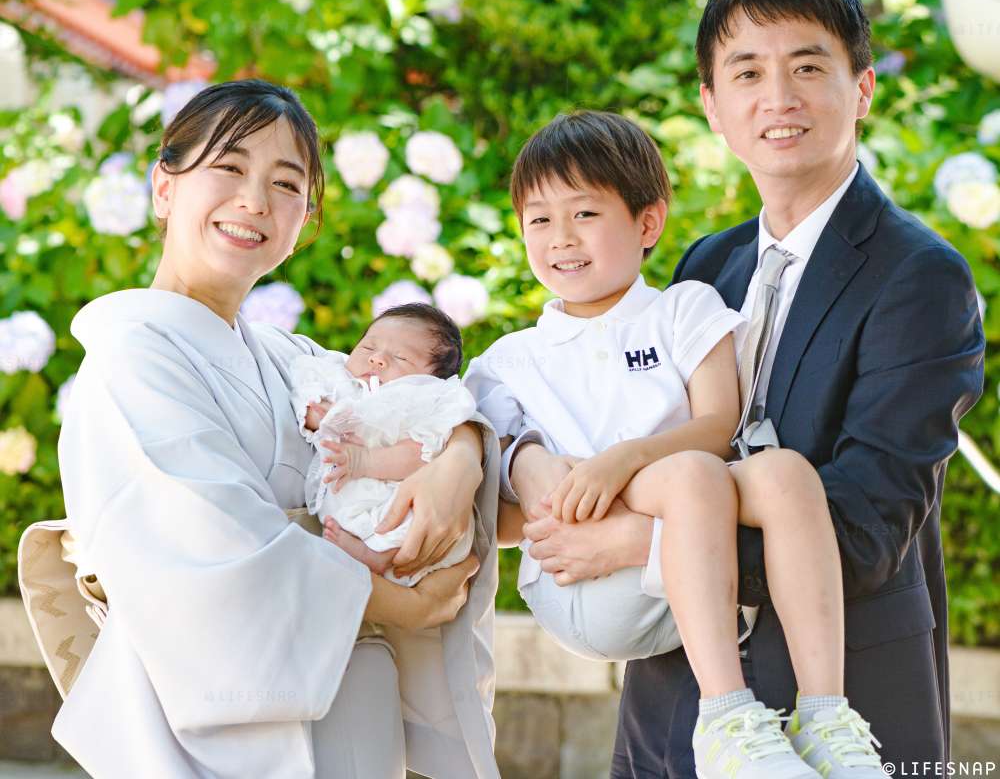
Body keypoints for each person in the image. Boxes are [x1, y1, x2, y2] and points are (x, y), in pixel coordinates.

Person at [510, 0, 986, 777]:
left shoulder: (920, 277)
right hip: (673, 710)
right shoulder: (705, 267)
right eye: (747, 73)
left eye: (808, 66)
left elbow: (867, 527)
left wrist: (640, 545)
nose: (778, 97)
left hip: (848, 708)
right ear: (712, 105)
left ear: (862, 88)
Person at [36, 80, 500, 779]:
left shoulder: (292, 360)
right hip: (209, 731)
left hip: (355, 702)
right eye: (229, 167)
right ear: (164, 188)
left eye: (285, 184)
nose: (254, 200)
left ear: (302, 223)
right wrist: (400, 606)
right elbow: (219, 543)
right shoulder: (132, 354)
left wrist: (459, 460)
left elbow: (424, 403)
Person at [465, 111, 885, 778]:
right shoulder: (507, 361)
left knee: (783, 473)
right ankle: (725, 717)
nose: (560, 237)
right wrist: (543, 470)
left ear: (647, 223)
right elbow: (501, 505)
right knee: (692, 474)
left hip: (686, 550)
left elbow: (719, 424)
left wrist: (622, 459)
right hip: (583, 584)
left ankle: (825, 716)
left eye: (584, 213)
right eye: (539, 220)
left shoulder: (684, 309)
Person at [292, 303, 477, 585]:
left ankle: (382, 554)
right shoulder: (336, 376)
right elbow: (305, 394)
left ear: (433, 377)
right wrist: (318, 414)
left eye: (401, 357)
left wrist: (364, 461)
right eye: (368, 347)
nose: (377, 359)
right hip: (344, 493)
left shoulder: (428, 397)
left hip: (397, 490)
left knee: (419, 513)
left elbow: (421, 453)